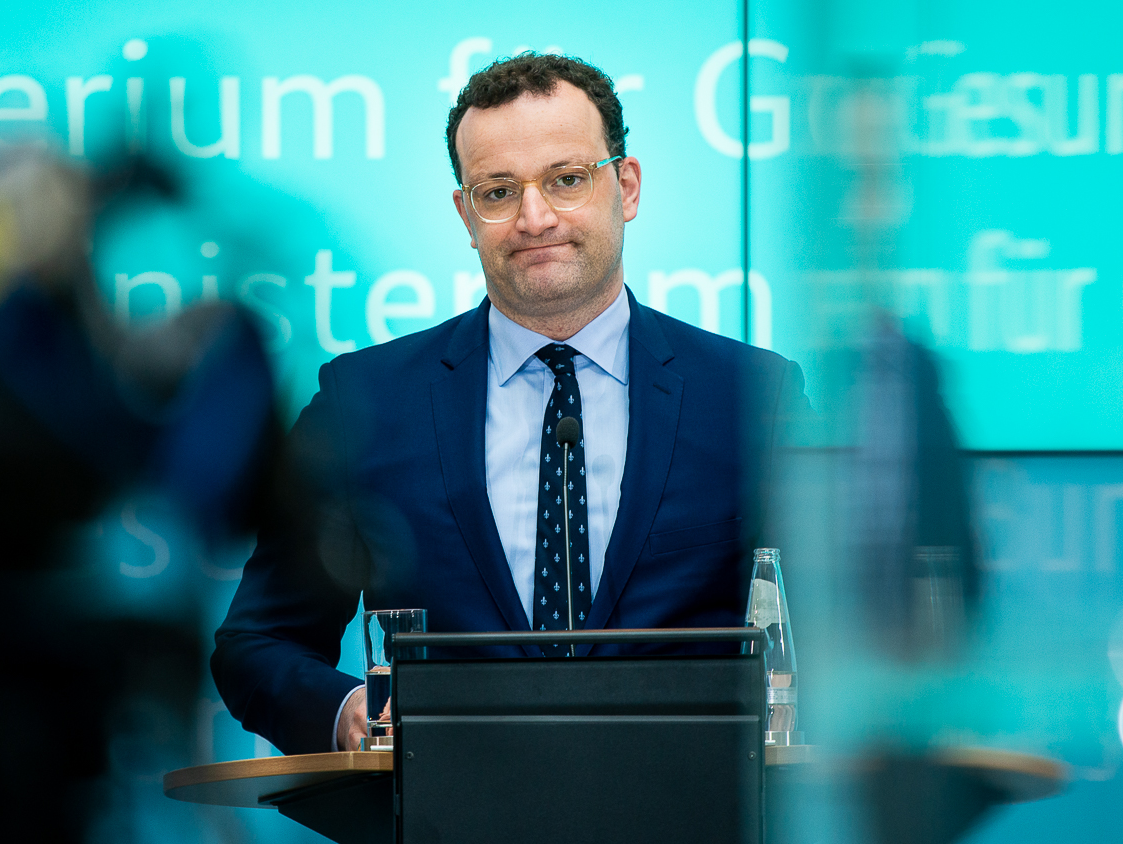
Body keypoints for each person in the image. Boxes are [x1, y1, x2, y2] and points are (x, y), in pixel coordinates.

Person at [212, 53, 809, 755]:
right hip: (443, 801)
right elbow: (257, 643)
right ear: (467, 215)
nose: (535, 217)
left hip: (688, 798)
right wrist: (350, 711)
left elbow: (835, 638)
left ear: (626, 187)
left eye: (566, 180)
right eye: (498, 192)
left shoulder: (753, 397)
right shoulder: (364, 402)